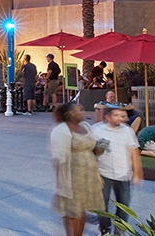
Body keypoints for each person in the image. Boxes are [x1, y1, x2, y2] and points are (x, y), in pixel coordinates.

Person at [50, 101, 105, 236]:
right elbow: (58, 158)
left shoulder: (85, 126)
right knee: (73, 212)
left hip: (88, 176)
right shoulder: (62, 130)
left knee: (81, 211)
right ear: (70, 114)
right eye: (79, 110)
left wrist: (101, 147)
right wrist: (61, 183)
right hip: (72, 177)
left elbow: (94, 146)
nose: (83, 113)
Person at [92, 106, 143, 235]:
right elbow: (91, 153)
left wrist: (137, 172)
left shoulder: (127, 131)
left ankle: (120, 232)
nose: (120, 118)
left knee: (123, 206)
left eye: (121, 115)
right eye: (116, 115)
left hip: (123, 174)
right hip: (103, 174)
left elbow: (134, 152)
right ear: (108, 117)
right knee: (101, 205)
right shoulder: (97, 130)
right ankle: (105, 229)